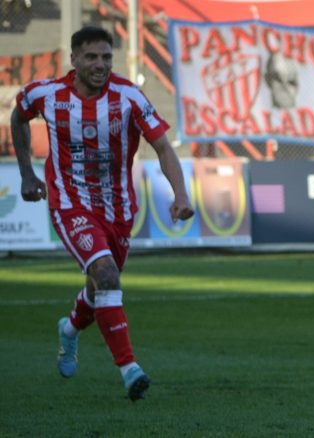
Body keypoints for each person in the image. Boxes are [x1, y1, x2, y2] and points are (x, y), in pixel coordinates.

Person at [11, 25, 194, 401]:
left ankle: (70, 329)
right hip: (69, 203)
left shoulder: (129, 97)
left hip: (119, 209)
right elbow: (18, 117)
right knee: (108, 276)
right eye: (91, 57)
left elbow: (162, 147)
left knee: (99, 288)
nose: (100, 64)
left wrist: (181, 194)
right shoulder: (46, 94)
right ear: (74, 59)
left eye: (107, 57)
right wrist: (27, 174)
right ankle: (130, 370)